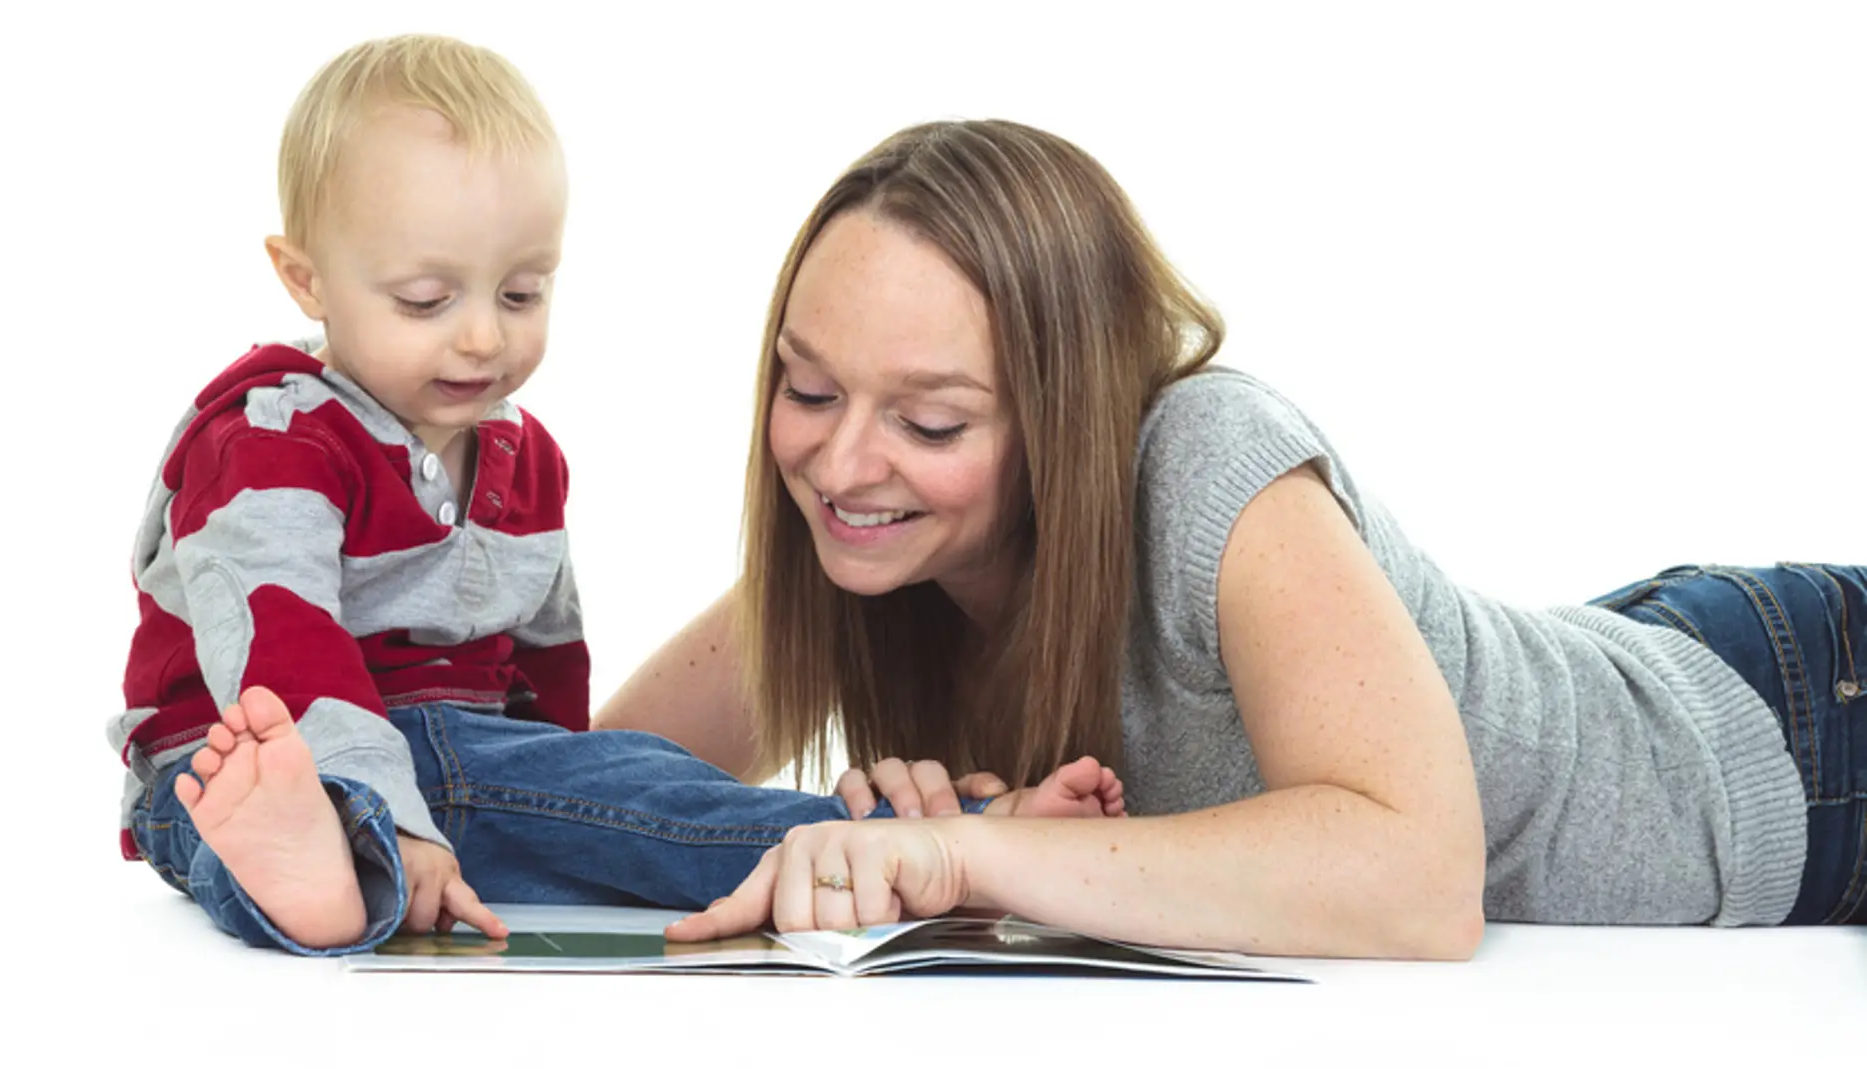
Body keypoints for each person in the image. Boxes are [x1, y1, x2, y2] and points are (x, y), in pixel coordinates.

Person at [584, 117, 1865, 959]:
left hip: (1798, 730)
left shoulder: (1207, 460)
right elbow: (575, 794)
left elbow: (1419, 881)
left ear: (1067, 419)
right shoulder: (868, 538)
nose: (840, 460)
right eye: (807, 389)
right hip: (1631, 663)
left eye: (930, 418)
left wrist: (968, 849)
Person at [105, 37, 1124, 959]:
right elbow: (279, 648)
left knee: (638, 789)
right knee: (230, 822)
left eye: (520, 292)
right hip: (240, 757)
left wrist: (562, 773)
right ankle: (323, 870)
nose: (481, 339)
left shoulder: (522, 455)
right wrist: (376, 806)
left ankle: (928, 855)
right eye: (426, 300)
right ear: (305, 279)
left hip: (461, 771)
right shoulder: (272, 440)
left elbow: (548, 654)